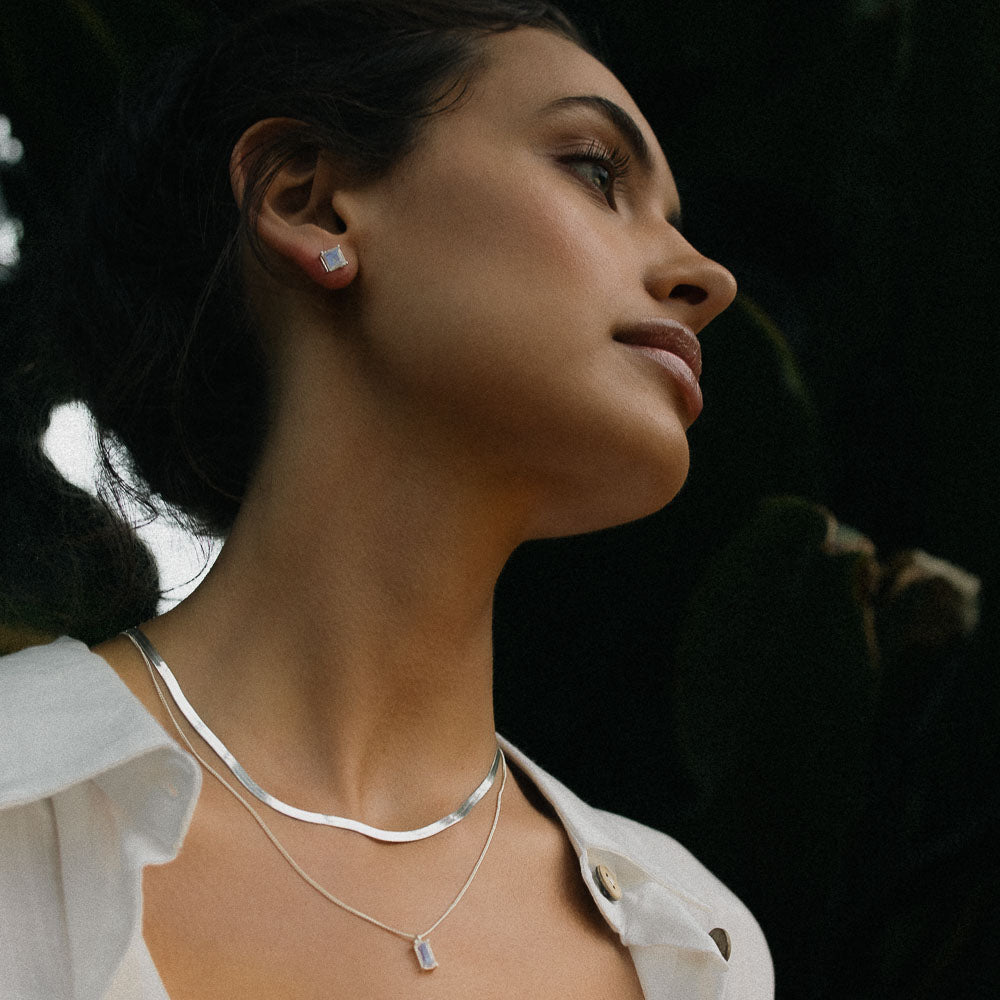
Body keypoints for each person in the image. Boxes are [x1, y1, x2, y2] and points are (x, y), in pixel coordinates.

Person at [0, 1, 773, 996]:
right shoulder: (21, 801)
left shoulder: (695, 943)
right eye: (594, 171)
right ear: (310, 204)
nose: (706, 276)